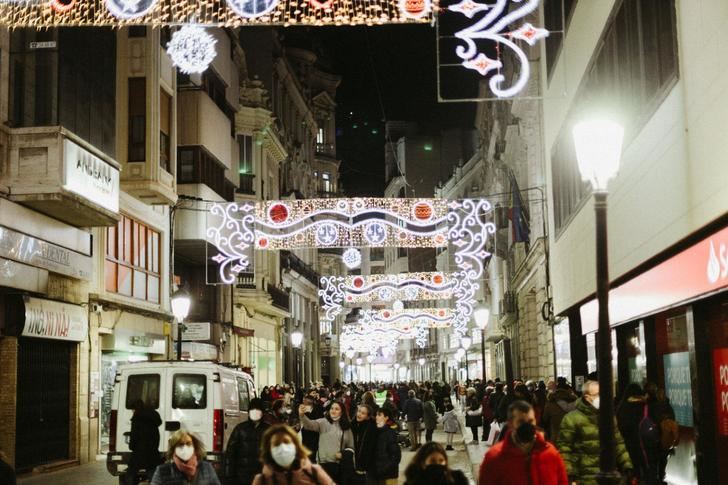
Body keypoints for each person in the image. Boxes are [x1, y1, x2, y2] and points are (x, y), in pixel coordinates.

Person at [557, 380, 633, 484]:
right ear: (587, 398)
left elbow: (618, 443)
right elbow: (565, 450)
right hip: (584, 477)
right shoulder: (571, 419)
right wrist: (570, 476)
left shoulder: (608, 416)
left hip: (608, 474)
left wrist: (627, 465)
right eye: (597, 394)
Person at [478, 400, 568, 485]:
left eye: (531, 421)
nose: (527, 425)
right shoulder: (495, 457)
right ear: (510, 424)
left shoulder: (550, 453)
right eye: (521, 422)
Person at [252, 424, 333, 485]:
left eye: (287, 443)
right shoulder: (262, 480)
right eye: (276, 445)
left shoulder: (314, 472)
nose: (283, 449)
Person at [299, 399, 354, 482]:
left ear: (342, 412)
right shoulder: (323, 422)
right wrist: (302, 415)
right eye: (332, 408)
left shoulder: (346, 427)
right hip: (323, 464)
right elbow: (309, 425)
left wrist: (343, 454)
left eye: (336, 409)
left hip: (338, 466)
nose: (333, 411)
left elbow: (351, 447)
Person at [224, 398, 270, 484]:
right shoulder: (240, 429)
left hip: (262, 476)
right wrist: (229, 476)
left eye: (258, 409)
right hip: (242, 476)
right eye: (252, 410)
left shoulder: (268, 430)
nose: (255, 412)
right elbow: (231, 454)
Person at [151, 430, 220, 485]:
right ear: (174, 449)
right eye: (180, 444)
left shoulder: (206, 468)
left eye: (188, 444)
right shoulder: (162, 471)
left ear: (194, 447)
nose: (185, 448)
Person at [126, 399, 162, 485]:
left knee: (130, 473)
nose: (132, 411)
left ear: (136, 408)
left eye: (133, 409)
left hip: (139, 452)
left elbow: (134, 435)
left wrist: (131, 446)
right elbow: (157, 436)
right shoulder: (153, 417)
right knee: (152, 473)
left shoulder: (137, 418)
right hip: (152, 452)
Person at [403, 442, 468, 485]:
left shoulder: (457, 480)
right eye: (433, 461)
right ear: (422, 463)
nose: (438, 464)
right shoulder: (412, 482)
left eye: (441, 460)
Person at [369, 407, 401, 485]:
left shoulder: (390, 433)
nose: (376, 417)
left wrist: (384, 468)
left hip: (388, 474)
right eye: (376, 415)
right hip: (377, 473)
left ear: (386, 418)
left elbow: (396, 456)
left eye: (379, 415)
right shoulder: (376, 431)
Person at [541, 379, 577, 443]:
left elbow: (545, 419)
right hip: (572, 436)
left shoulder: (550, 403)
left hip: (556, 437)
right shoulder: (575, 401)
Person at [351, 404, 377, 483]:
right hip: (353, 464)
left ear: (368, 416)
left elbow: (371, 449)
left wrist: (364, 465)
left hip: (366, 467)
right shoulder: (352, 425)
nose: (359, 414)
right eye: (359, 411)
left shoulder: (372, 428)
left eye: (363, 413)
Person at [300, 394, 324, 463]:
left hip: (314, 435)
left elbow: (321, 421)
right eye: (304, 401)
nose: (304, 402)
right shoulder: (302, 409)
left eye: (305, 401)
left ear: (311, 401)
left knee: (312, 454)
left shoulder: (318, 409)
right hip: (305, 434)